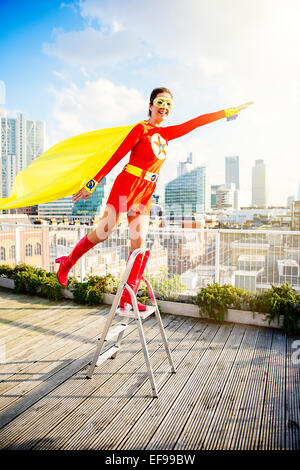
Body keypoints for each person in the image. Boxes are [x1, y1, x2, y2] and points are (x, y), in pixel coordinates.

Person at [56, 87, 253, 309]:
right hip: (126, 186)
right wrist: (92, 183)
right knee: (104, 232)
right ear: (150, 106)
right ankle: (67, 262)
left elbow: (197, 122)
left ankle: (128, 295)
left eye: (169, 104)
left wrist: (228, 112)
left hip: (144, 192)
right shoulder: (140, 129)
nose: (164, 107)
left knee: (139, 244)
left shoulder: (166, 134)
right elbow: (116, 157)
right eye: (160, 102)